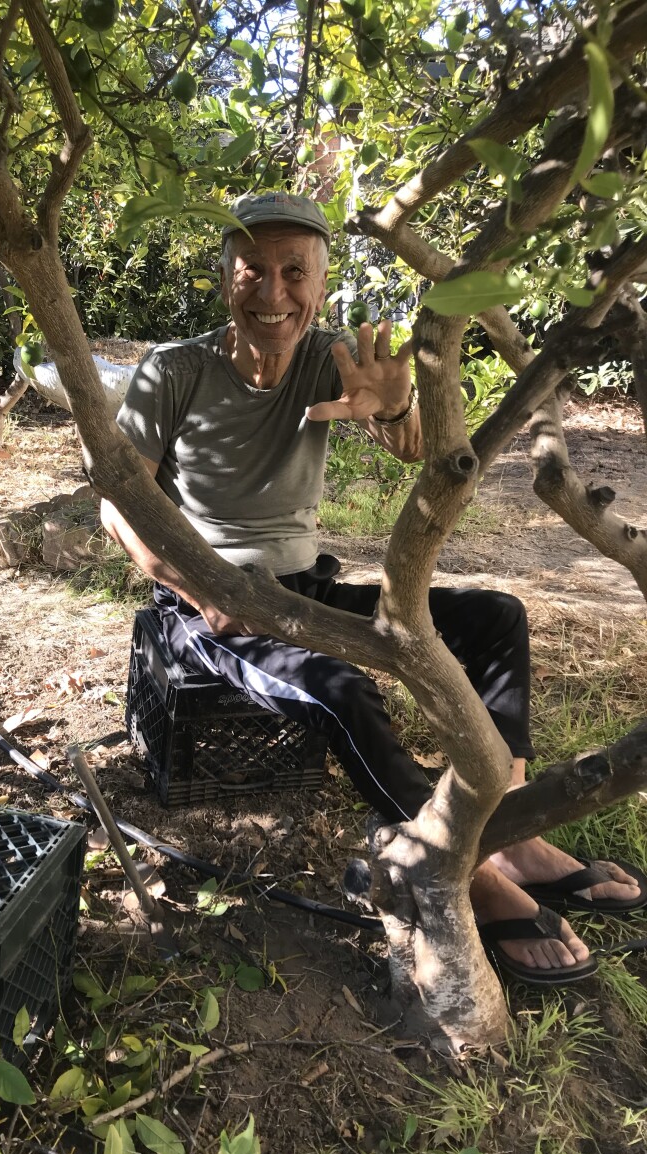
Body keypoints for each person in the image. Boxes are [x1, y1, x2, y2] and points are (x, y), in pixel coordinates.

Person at [101, 190, 645, 985]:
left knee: (497, 616)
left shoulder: (332, 356)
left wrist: (393, 412)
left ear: (320, 281)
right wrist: (197, 585)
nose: (274, 293)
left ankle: (510, 827)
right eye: (254, 269)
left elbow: (412, 444)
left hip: (307, 590)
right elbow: (120, 506)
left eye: (296, 272)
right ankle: (463, 866)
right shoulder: (173, 371)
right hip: (208, 603)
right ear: (227, 278)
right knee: (343, 688)